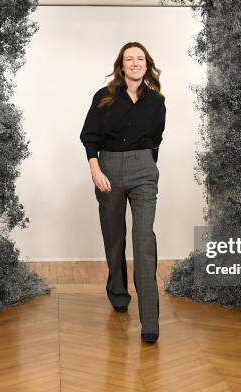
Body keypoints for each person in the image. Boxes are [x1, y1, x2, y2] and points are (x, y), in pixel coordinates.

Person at [80, 41, 166, 343]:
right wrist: (96, 171)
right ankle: (118, 291)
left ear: (147, 64)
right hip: (109, 169)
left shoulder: (156, 101)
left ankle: (150, 321)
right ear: (121, 65)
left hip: (144, 168)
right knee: (114, 237)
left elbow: (156, 138)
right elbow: (89, 137)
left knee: (144, 240)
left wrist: (147, 167)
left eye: (140, 58)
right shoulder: (103, 97)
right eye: (129, 59)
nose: (135, 63)